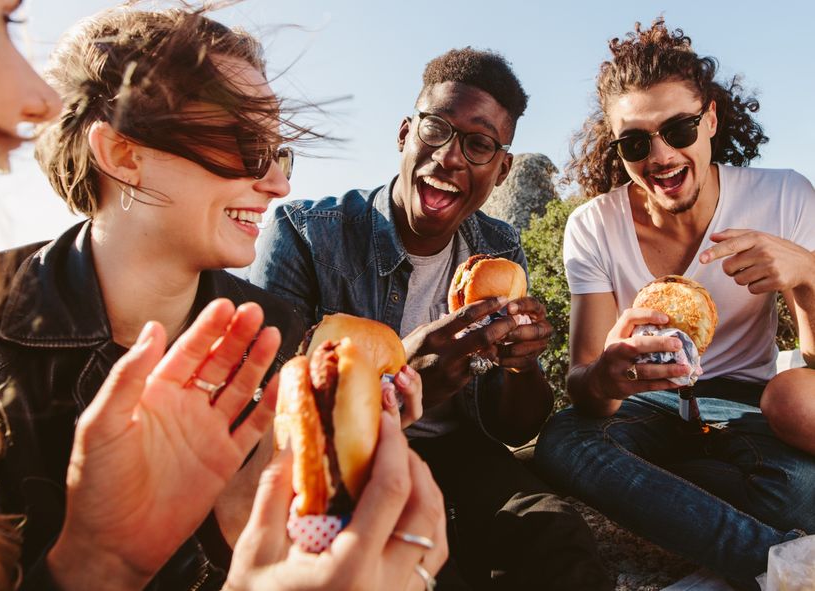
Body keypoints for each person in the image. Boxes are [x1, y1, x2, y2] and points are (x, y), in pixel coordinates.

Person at [0, 1, 279, 588]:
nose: (279, 181)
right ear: (123, 155)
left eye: (276, 147)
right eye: (243, 140)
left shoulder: (276, 336)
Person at [250, 47, 611, 590]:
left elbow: (517, 427)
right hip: (349, 465)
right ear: (405, 134)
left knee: (559, 541)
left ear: (502, 167)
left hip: (461, 452)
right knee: (428, 573)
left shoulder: (499, 247)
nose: (451, 157)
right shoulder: (305, 233)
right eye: (436, 130)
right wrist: (401, 375)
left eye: (480, 143)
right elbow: (268, 412)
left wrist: (521, 366)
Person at [533, 18, 815, 590]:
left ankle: (664, 495)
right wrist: (609, 375)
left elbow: (812, 364)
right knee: (564, 441)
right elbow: (581, 383)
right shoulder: (594, 225)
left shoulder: (783, 195)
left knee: (800, 492)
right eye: (636, 142)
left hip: (745, 403)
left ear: (709, 118)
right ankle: (778, 565)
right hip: (645, 407)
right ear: (617, 148)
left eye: (680, 128)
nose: (661, 156)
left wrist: (807, 276)